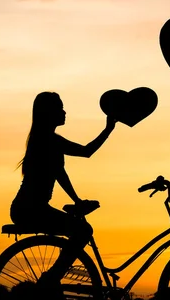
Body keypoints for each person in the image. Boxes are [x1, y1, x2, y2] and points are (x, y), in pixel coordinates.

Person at [11, 91, 117, 287]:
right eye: (60, 108)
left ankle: (53, 277)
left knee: (81, 231)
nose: (64, 112)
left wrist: (78, 201)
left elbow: (61, 175)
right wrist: (108, 129)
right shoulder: (49, 140)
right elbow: (86, 152)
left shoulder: (44, 140)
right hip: (30, 210)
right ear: (49, 113)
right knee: (83, 231)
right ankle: (51, 279)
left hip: (29, 208)